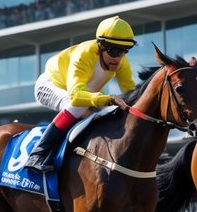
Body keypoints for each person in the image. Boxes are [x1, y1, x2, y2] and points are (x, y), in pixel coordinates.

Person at [24, 15, 138, 173]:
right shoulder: (84, 54)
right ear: (100, 46)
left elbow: (131, 92)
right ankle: (37, 154)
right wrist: (108, 99)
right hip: (50, 85)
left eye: (124, 51)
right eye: (114, 51)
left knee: (103, 114)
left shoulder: (121, 61)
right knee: (79, 106)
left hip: (84, 94)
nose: (118, 58)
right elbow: (75, 96)